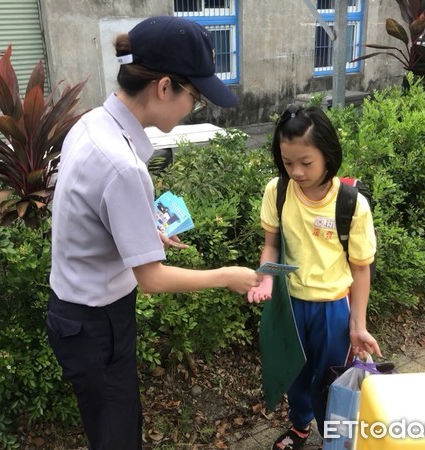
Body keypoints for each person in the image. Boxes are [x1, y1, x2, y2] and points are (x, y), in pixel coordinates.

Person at [46, 16, 262, 450]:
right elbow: (153, 280)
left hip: (75, 314)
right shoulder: (123, 166)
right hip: (97, 322)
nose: (193, 108)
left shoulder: (89, 125)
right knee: (117, 437)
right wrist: (229, 276)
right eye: (194, 98)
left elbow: (83, 210)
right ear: (165, 87)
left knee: (112, 426)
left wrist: (142, 232)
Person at [247, 105, 382, 450]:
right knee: (296, 374)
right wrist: (265, 279)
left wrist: (358, 324)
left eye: (306, 163)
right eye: (287, 162)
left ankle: (334, 439)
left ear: (328, 153)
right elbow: (272, 245)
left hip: (332, 309)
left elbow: (360, 268)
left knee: (329, 381)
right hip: (290, 306)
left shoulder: (351, 204)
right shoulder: (277, 191)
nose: (296, 172)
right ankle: (300, 427)